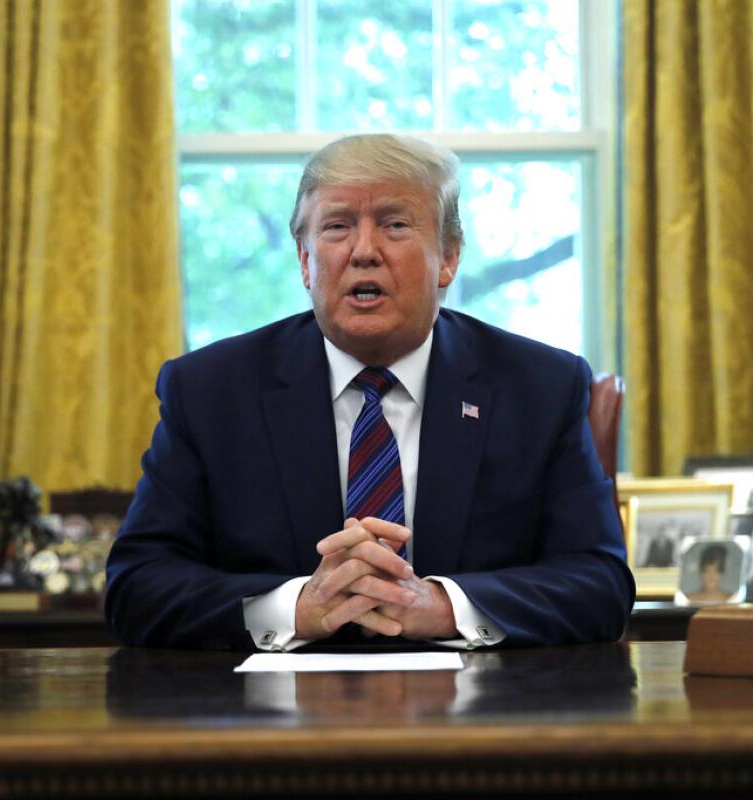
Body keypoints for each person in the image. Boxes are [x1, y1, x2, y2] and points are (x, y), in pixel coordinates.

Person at [104, 133, 634, 650]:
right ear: (307, 261)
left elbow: (599, 583)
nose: (363, 251)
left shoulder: (540, 387)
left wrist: (443, 607)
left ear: (448, 256)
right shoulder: (210, 391)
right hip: (273, 724)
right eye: (336, 227)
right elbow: (138, 587)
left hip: (477, 720)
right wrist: (296, 607)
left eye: (395, 225)